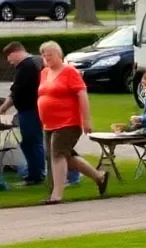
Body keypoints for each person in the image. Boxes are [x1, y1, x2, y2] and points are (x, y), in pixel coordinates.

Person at [37, 40, 109, 204]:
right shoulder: (44, 73)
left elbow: (82, 95)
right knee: (64, 157)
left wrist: (86, 119)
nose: (46, 58)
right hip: (49, 123)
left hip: (67, 122)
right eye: (44, 55)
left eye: (50, 54)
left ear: (59, 54)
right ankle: (99, 177)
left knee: (57, 156)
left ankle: (56, 195)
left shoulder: (70, 72)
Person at [0, 42, 45, 186]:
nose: (9, 61)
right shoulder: (34, 62)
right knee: (27, 142)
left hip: (30, 110)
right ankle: (32, 172)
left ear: (15, 52)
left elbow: (16, 91)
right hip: (28, 110)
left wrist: (3, 108)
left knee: (33, 142)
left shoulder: (26, 66)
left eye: (9, 57)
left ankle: (36, 175)